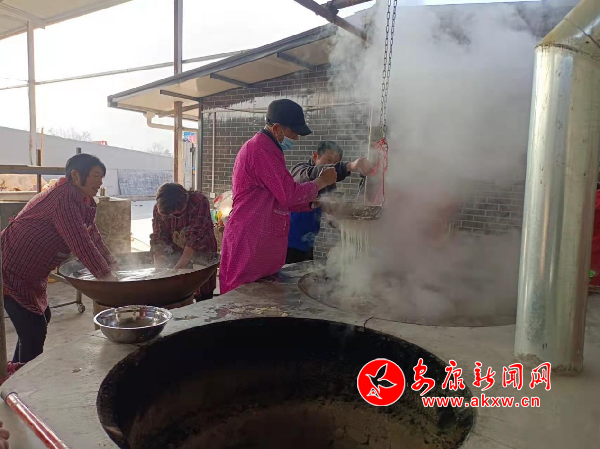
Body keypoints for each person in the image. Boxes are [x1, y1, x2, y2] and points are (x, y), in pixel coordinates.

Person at [1, 154, 117, 365]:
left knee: (38, 321)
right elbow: (80, 243)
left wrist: (112, 263)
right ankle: (23, 379)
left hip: (31, 273)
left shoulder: (83, 200)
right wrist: (106, 276)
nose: (100, 182)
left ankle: (17, 372)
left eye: (102, 177)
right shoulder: (62, 198)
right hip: (10, 268)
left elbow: (92, 234)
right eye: (95, 175)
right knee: (33, 329)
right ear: (76, 175)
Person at [219, 99, 337, 294]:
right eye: (294, 133)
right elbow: (289, 195)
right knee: (241, 299)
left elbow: (279, 198)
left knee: (259, 299)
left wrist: (315, 203)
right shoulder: (260, 149)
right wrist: (321, 181)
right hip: (250, 240)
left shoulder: (270, 149)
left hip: (260, 241)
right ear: (276, 128)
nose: (296, 139)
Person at [286, 140, 373, 263]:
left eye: (335, 163)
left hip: (307, 243)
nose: (331, 167)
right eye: (328, 160)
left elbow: (332, 215)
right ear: (315, 156)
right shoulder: (300, 170)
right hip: (285, 243)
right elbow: (313, 174)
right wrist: (349, 166)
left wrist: (350, 228)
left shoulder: (328, 184)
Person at [150, 183, 218, 300]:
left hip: (203, 249)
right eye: (171, 215)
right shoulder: (160, 208)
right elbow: (158, 236)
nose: (174, 216)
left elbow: (195, 236)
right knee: (176, 292)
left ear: (186, 198)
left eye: (177, 213)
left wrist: (178, 268)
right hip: (176, 249)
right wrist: (158, 270)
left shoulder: (199, 202)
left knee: (204, 290)